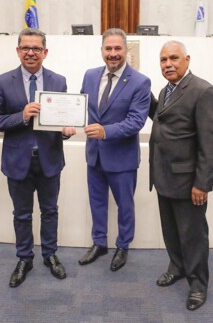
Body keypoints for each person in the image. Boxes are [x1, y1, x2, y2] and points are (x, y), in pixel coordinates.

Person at [0, 28, 76, 287]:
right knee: (22, 214)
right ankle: (24, 258)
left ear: (45, 52)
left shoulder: (58, 81)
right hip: (17, 161)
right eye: (25, 47)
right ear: (17, 51)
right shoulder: (3, 81)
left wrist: (68, 130)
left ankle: (50, 255)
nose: (31, 52)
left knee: (50, 211)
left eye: (36, 48)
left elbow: (63, 120)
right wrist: (22, 116)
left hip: (49, 159)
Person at [149, 41, 213, 311]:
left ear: (187, 60)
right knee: (171, 231)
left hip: (189, 181)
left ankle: (198, 284)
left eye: (174, 58)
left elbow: (210, 143)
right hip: (163, 176)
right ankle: (177, 267)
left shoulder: (204, 91)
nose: (168, 64)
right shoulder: (165, 90)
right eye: (163, 59)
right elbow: (164, 118)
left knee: (193, 235)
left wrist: (202, 184)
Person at [78, 28, 151, 271]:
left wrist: (106, 131)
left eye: (117, 48)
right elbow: (81, 109)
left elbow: (136, 121)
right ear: (101, 50)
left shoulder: (140, 82)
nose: (113, 54)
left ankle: (122, 246)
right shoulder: (90, 75)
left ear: (126, 50)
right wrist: (65, 123)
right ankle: (99, 243)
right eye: (108, 49)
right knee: (96, 202)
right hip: (94, 156)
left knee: (125, 205)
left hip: (122, 158)